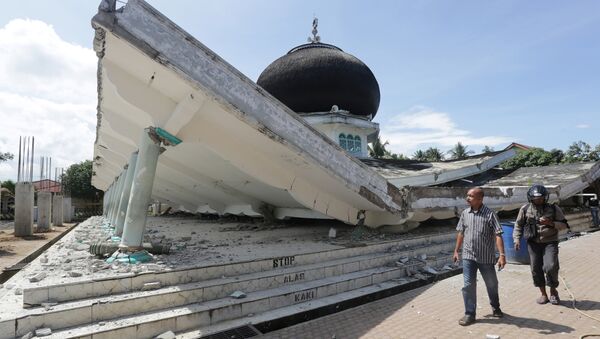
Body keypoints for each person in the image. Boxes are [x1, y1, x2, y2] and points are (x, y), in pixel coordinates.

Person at [453, 187, 506, 326]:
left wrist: (502, 255)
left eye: (471, 196)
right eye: (467, 195)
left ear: (480, 199)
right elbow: (461, 232)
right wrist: (456, 251)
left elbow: (498, 235)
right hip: (468, 256)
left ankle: (495, 306)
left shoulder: (490, 214)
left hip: (486, 258)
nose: (467, 198)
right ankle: (469, 313)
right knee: (468, 285)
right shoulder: (465, 213)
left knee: (492, 284)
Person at [513, 184, 568, 305]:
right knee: (536, 269)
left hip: (550, 242)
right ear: (530, 198)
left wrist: (551, 223)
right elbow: (518, 225)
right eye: (536, 198)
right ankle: (543, 294)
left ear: (545, 197)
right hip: (533, 243)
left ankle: (553, 291)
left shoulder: (553, 209)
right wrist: (516, 239)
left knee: (551, 266)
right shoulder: (525, 209)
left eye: (541, 198)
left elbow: (565, 225)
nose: (538, 200)